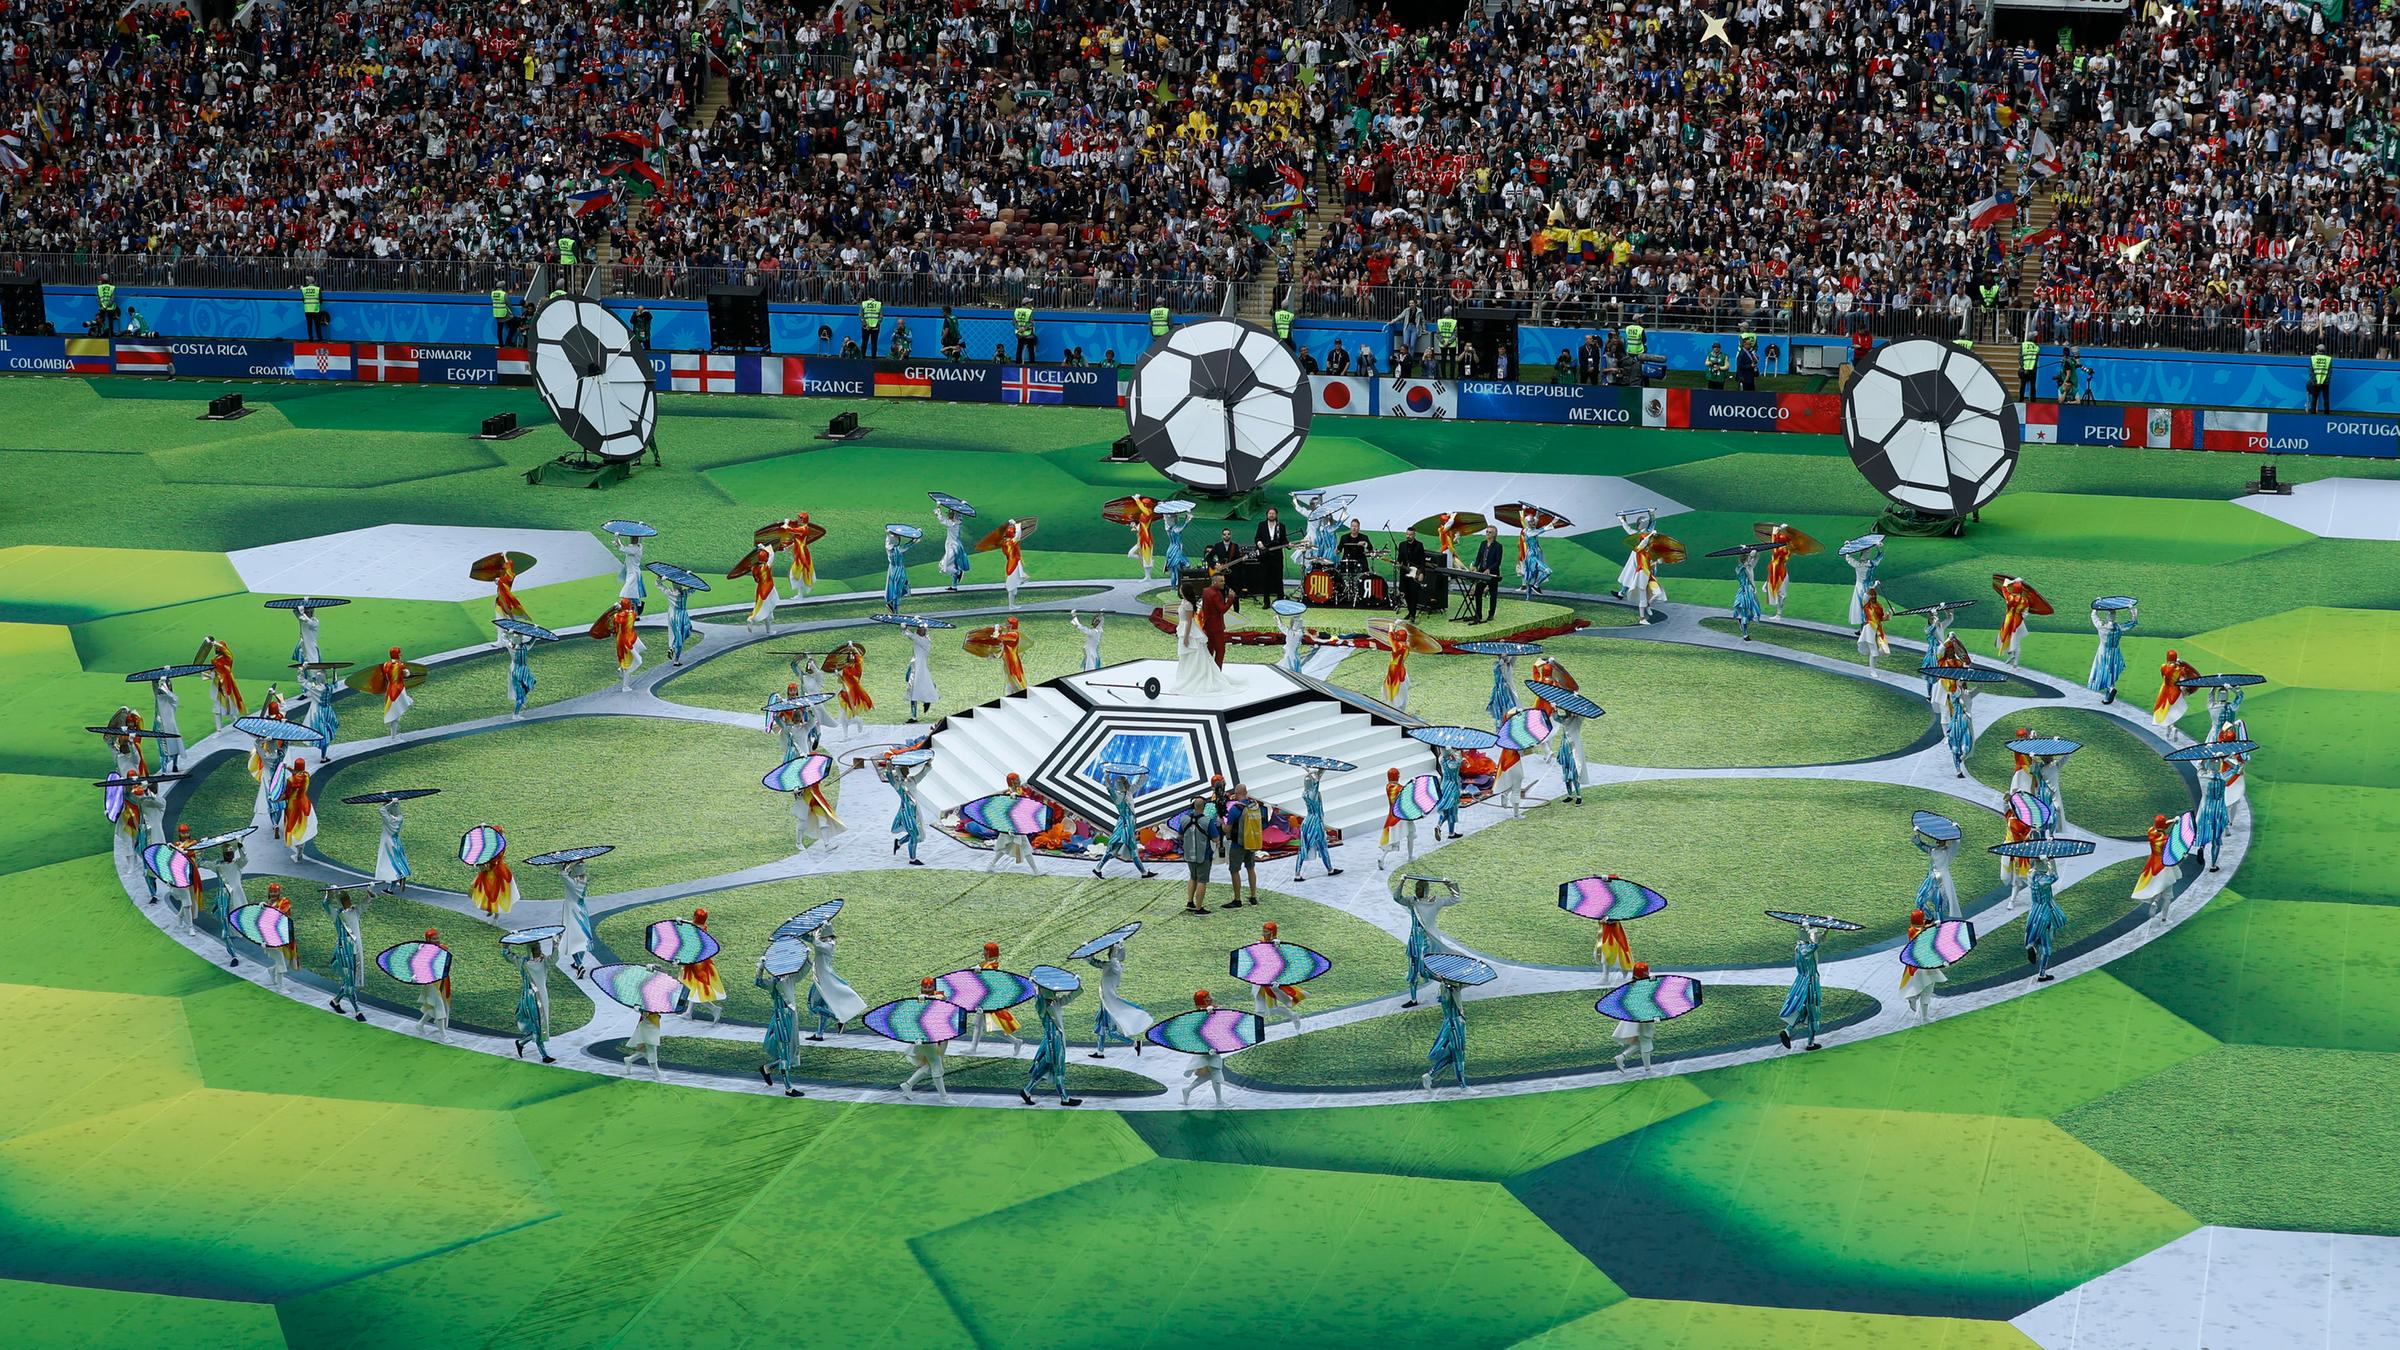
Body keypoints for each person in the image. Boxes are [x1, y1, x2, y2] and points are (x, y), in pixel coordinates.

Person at [1394, 874, 1461, 1006]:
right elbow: (1397, 897)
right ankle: (1413, 999)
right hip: (1414, 941)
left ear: (1425, 890)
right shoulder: (1412, 901)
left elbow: (1456, 898)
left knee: (1429, 969)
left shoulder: (1435, 902)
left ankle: (1448, 984)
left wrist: (1449, 885)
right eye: (1416, 888)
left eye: (1419, 888)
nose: (1417, 891)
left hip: (1429, 942)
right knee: (1413, 969)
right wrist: (1401, 882)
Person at [1019, 975, 1081, 1107]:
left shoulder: (1054, 1002)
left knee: (1045, 1067)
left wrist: (1077, 984)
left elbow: (1070, 996)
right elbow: (1039, 1001)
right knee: (1058, 1068)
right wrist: (1035, 987)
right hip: (1054, 1041)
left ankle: (1027, 1091)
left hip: (1054, 1039)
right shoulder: (1042, 1005)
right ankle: (1064, 1098)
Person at [1085, 939, 1152, 1059]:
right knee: (1101, 1026)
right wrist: (1088, 950)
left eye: (1111, 950)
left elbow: (1108, 960)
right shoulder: (1111, 965)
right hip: (1105, 1001)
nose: (1109, 952)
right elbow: (1095, 962)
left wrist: (1116, 946)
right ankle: (1100, 1052)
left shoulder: (1114, 966)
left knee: (1112, 1032)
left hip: (1109, 1002)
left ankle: (1134, 1043)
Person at [1172, 580, 1237, 696]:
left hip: (1189, 631)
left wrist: (1186, 636)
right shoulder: (1184, 602)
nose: (1179, 589)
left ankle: (1196, 674)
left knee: (1194, 652)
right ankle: (1188, 674)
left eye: (1181, 588)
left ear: (1184, 591)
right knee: (1188, 654)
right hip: (1184, 629)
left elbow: (1189, 622)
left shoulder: (1188, 605)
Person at [803, 923, 865, 1039]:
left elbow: (816, 944)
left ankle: (839, 1018)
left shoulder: (828, 945)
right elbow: (809, 938)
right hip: (821, 977)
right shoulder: (824, 942)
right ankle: (819, 1034)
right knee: (822, 1006)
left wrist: (815, 933)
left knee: (814, 1006)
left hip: (823, 979)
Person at [1091, 766, 1154, 879]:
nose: (1127, 783)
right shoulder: (1118, 796)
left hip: (1127, 823)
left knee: (1115, 848)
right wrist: (1106, 776)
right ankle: (1144, 873)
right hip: (1125, 824)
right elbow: (1109, 788)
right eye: (1124, 782)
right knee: (1131, 848)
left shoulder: (1127, 793)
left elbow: (1137, 784)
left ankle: (1098, 869)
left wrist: (1142, 775)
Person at [758, 951, 805, 1096]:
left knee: (790, 1052)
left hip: (790, 1017)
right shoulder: (775, 981)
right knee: (785, 1054)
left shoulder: (788, 978)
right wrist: (760, 968)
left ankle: (767, 1068)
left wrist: (807, 958)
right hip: (782, 1020)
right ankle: (788, 1088)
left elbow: (802, 972)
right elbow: (758, 982)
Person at [898, 979, 953, 1101]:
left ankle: (908, 1085)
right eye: (925, 987)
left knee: (930, 1066)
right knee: (936, 1066)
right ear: (921, 988)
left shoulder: (937, 997)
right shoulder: (919, 1001)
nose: (927, 989)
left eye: (930, 987)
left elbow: (942, 999)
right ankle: (944, 1097)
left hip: (938, 1036)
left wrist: (932, 998)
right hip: (926, 1037)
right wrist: (924, 999)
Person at [1422, 960, 1472, 1093]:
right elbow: (1465, 982)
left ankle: (1429, 1075)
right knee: (1459, 1054)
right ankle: (1463, 1086)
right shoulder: (1451, 986)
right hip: (1456, 1024)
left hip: (1451, 1023)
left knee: (1451, 1055)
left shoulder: (1445, 986)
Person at [1286, 763, 1341, 881]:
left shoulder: (1305, 793)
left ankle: (1298, 873)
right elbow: (1317, 782)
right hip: (1315, 822)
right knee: (1322, 846)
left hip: (1308, 821)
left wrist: (1321, 770)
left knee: (1305, 846)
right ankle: (1329, 869)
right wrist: (1312, 770)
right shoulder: (1313, 793)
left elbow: (1316, 779)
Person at [322, 886, 370, 1020]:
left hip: (356, 950)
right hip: (345, 951)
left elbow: (364, 905)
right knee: (350, 982)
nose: (348, 901)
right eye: (345, 899)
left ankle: (336, 1001)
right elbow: (325, 904)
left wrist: (369, 895)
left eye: (348, 899)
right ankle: (358, 1011)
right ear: (341, 902)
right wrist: (329, 894)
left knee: (350, 980)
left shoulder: (354, 911)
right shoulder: (337, 915)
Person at [1177, 990, 1231, 1107]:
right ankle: (1219, 1101)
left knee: (1209, 1074)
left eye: (1209, 996)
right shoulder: (1198, 1015)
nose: (1210, 998)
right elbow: (1200, 1031)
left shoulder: (1212, 1009)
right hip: (1207, 1048)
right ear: (1202, 1000)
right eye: (1207, 998)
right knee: (1215, 1071)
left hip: (1212, 1046)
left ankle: (1188, 1090)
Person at [507, 933, 556, 1062]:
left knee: (541, 1025)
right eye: (536, 949)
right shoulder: (524, 963)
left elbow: (555, 958)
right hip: (531, 999)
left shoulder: (544, 962)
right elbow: (508, 955)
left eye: (538, 948)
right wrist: (506, 946)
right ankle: (544, 1055)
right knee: (537, 1026)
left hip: (543, 996)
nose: (538, 951)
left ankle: (521, 1043)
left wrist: (555, 944)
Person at [1777, 923, 1824, 1050]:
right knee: (1813, 1012)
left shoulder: (1798, 947)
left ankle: (1787, 1031)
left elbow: (1817, 941)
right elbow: (1815, 944)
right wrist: (1812, 929)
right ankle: (1810, 1043)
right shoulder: (1805, 949)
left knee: (1803, 1010)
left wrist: (1826, 929)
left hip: (1802, 981)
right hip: (1811, 983)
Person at [677, 908, 727, 1024]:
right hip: (699, 963)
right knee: (692, 988)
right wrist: (682, 921)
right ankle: (689, 1012)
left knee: (696, 990)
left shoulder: (696, 930)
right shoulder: (702, 927)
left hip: (697, 965)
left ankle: (713, 1009)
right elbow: (692, 924)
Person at [881, 752, 931, 865]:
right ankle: (912, 859)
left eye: (907, 768)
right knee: (914, 834)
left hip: (915, 810)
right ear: (900, 771)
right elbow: (889, 775)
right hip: (907, 812)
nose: (907, 770)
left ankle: (899, 843)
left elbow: (922, 774)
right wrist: (889, 765)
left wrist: (928, 764)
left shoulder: (911, 780)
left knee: (918, 835)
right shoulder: (898, 784)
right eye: (904, 768)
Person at [1611, 962, 1661, 1072]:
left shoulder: (1635, 983)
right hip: (1643, 1018)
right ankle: (1648, 1070)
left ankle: (1621, 1057)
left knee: (1641, 1042)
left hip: (1638, 1017)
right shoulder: (1640, 986)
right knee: (1646, 1041)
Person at [983, 772, 1037, 874]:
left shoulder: (1019, 791)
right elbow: (1009, 812)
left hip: (1017, 825)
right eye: (1017, 780)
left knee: (1008, 847)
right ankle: (1036, 870)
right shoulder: (1011, 795)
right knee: (1020, 847)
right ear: (1012, 782)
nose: (1019, 781)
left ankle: (991, 864)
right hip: (1012, 826)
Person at [1221, 784, 1265, 906]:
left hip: (1238, 844)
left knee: (1234, 870)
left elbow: (1227, 829)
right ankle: (1253, 896)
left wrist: (1221, 823)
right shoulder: (1254, 806)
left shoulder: (1236, 809)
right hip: (1252, 842)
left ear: (1236, 794)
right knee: (1250, 868)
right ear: (1246, 792)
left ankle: (1237, 899)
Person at [2025, 857, 2066, 982]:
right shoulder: (2043, 880)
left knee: (2037, 932)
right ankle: (2042, 973)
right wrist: (2051, 861)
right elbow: (2054, 876)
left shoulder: (2030, 875)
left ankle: (2032, 945)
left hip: (2035, 910)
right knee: (2047, 946)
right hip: (2045, 912)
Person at [2088, 601, 2136, 703]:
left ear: (2107, 617)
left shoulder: (2101, 626)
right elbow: (2133, 622)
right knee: (2112, 671)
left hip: (2103, 652)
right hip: (2115, 652)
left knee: (2104, 671)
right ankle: (2109, 691)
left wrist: (2096, 606)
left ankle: (2110, 689)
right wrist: (2131, 610)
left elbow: (2094, 616)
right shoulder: (2119, 627)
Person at [559, 855, 597, 977]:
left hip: (572, 911)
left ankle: (579, 965)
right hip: (582, 910)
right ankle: (577, 963)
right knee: (583, 938)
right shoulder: (583, 880)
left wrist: (567, 865)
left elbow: (563, 874)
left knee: (571, 939)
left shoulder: (573, 884)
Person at [1902, 909, 1944, 1019]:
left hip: (1918, 966)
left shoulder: (1912, 929)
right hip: (1924, 966)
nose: (1924, 920)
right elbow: (1925, 934)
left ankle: (1913, 997)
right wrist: (1934, 926)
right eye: (1922, 918)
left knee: (1923, 987)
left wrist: (1932, 924)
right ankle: (1924, 1016)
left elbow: (1924, 927)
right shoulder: (1917, 932)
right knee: (1927, 991)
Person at [1178, 796, 1216, 914]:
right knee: (1202, 880)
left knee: (1193, 877)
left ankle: (1190, 902)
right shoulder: (1207, 821)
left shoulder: (1184, 819)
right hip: (1203, 855)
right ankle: (1199, 909)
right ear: (1204, 807)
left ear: (1193, 806)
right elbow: (1216, 839)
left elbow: (1179, 836)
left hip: (1189, 854)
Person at [2195, 755, 2231, 873]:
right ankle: (2213, 865)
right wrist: (2225, 758)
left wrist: (2206, 757)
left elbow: (2199, 765)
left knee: (2204, 832)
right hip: (2218, 810)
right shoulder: (2223, 777)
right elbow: (2236, 767)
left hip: (2205, 808)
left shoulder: (2202, 776)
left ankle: (2201, 847)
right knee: (2216, 839)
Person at [415, 929, 453, 1041]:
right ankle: (443, 1035)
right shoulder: (424, 952)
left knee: (433, 1005)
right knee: (439, 1007)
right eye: (434, 939)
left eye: (437, 938)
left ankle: (420, 1024)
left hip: (441, 981)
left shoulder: (441, 949)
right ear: (428, 940)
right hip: (431, 982)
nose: (437, 940)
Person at [1995, 575, 2040, 669]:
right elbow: (2026, 612)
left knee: (2005, 637)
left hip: (2008, 620)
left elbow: (2004, 585)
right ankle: (2015, 661)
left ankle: (2012, 656)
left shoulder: (2009, 597)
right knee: (2016, 641)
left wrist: (2014, 580)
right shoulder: (2025, 600)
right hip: (2018, 622)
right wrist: (2020, 617)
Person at [732, 543, 778, 635]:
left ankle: (768, 630)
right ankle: (752, 619)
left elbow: (756, 580)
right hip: (768, 590)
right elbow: (772, 554)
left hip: (760, 589)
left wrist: (761, 549)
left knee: (767, 609)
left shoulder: (754, 568)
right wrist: (764, 547)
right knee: (766, 609)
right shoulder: (766, 566)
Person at [277, 756, 318, 858]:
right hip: (304, 803)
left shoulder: (290, 780)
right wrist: (288, 768)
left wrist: (276, 798)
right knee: (303, 827)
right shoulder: (306, 775)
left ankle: (298, 848)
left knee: (293, 827)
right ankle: (300, 849)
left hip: (293, 806)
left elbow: (287, 795)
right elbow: (298, 774)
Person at [602, 597, 644, 693]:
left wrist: (616, 608)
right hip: (628, 640)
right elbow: (629, 613)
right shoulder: (632, 615)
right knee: (627, 664)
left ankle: (621, 669)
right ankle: (625, 686)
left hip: (620, 640)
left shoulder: (617, 616)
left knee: (623, 659)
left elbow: (613, 620)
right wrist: (621, 608)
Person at [1378, 769, 1418, 871]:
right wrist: (1412, 784)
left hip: (1393, 817)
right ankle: (1410, 856)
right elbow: (1406, 793)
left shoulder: (1388, 786)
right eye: (1398, 775)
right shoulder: (1396, 787)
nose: (1399, 776)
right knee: (1410, 835)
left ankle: (1382, 857)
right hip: (1402, 816)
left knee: (1393, 840)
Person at [903, 617, 940, 721]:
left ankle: (914, 717)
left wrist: (905, 629)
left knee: (913, 691)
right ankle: (927, 698)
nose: (919, 631)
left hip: (920, 669)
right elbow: (912, 636)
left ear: (925, 631)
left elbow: (911, 636)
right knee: (909, 680)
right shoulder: (920, 638)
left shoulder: (925, 641)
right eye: (918, 629)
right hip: (915, 665)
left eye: (921, 629)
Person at [373, 797, 412, 894]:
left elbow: (381, 810)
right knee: (395, 864)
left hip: (387, 844)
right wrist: (395, 803)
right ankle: (392, 887)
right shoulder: (399, 819)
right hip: (396, 842)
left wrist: (390, 803)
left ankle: (398, 878)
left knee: (390, 865)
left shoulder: (389, 820)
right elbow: (397, 812)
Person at [373, 647, 415, 736]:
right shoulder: (399, 665)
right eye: (399, 653)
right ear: (396, 655)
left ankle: (394, 736)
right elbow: (407, 674)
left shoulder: (385, 665)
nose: (401, 655)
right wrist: (405, 670)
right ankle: (393, 737)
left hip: (390, 689)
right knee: (396, 714)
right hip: (398, 690)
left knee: (396, 711)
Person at [2153, 650, 2199, 730]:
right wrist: (2183, 664)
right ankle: (2172, 725)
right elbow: (2185, 678)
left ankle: (2168, 725)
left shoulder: (2163, 667)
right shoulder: (2179, 669)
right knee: (2174, 707)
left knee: (2165, 707)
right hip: (2175, 690)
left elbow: (2163, 675)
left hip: (2165, 689)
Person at [1251, 507, 1289, 597]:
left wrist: (1288, 545)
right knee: (1265, 578)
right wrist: (1259, 543)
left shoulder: (1281, 526)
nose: (1271, 515)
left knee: (1278, 578)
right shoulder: (1262, 525)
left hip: (1277, 556)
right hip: (1265, 556)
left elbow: (1284, 540)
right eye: (1270, 513)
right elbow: (1257, 538)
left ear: (1276, 515)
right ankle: (1266, 601)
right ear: (1267, 515)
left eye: (1273, 513)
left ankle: (1280, 598)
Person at [1469, 526, 1505, 621]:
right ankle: (1478, 614)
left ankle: (1491, 614)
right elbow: (1479, 557)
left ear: (1494, 534)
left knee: (1493, 594)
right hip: (1482, 572)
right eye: (1487, 532)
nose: (1487, 534)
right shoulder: (1483, 544)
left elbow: (1497, 562)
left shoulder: (1498, 546)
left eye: (1490, 532)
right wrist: (1475, 566)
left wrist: (1489, 569)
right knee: (1478, 591)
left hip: (1493, 573)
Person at [934, 500, 972, 590]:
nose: (949, 513)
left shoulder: (953, 523)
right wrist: (962, 504)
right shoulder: (958, 521)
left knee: (945, 567)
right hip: (955, 546)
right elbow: (959, 513)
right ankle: (954, 585)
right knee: (952, 565)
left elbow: (941, 519)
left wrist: (938, 507)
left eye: (951, 512)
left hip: (953, 547)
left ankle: (958, 572)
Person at [1200, 574, 1234, 667]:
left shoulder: (1206, 591)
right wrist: (1230, 599)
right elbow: (1222, 609)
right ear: (1214, 582)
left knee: (1210, 649)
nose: (1224, 583)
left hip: (1208, 624)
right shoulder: (1215, 594)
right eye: (1221, 581)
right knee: (1220, 650)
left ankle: (1208, 669)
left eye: (1224, 580)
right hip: (1216, 626)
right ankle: (1217, 672)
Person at [1432, 745, 1465, 842]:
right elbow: (1459, 761)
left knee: (1446, 808)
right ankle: (1451, 832)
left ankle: (1439, 825)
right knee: (1452, 810)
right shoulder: (1455, 762)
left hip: (1444, 785)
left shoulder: (1442, 759)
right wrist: (1458, 756)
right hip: (1453, 787)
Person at [1730, 546, 1763, 639]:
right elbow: (1749, 578)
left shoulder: (1745, 567)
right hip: (1746, 592)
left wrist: (1749, 549)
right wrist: (1754, 587)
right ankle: (1745, 634)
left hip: (1746, 591)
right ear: (1746, 559)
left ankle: (1743, 627)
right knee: (1745, 613)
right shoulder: (1743, 568)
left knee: (1748, 612)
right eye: (1748, 558)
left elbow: (1757, 556)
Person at [1856, 584, 1890, 672]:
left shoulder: (1879, 606)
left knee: (1881, 650)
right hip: (1869, 629)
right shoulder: (1866, 604)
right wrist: (1874, 585)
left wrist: (1889, 613)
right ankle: (1872, 671)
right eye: (1872, 595)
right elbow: (1865, 595)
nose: (1873, 596)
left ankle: (1873, 669)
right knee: (1874, 652)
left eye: (1874, 595)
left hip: (1878, 630)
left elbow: (1882, 618)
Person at [998, 518, 1030, 609]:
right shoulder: (1010, 542)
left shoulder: (1005, 542)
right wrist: (1016, 524)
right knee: (1012, 587)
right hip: (1013, 565)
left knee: (1015, 585)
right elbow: (1018, 534)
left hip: (1012, 564)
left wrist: (1012, 525)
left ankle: (1012, 604)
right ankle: (1011, 605)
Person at [883, 525, 913, 615]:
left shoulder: (888, 547)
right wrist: (915, 538)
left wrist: (891, 532)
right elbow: (909, 545)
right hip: (899, 570)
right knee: (898, 589)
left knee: (893, 588)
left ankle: (892, 606)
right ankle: (895, 609)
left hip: (892, 569)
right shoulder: (898, 549)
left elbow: (888, 533)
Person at [2307, 344, 2333, 413]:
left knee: (2314, 397)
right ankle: (2326, 413)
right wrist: (2326, 380)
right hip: (2325, 382)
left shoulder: (2313, 358)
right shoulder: (2328, 359)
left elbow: (2311, 371)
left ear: (2318, 350)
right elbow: (2330, 371)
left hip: (2316, 382)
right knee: (2326, 398)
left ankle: (2313, 412)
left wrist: (2315, 381)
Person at [301, 276, 327, 341]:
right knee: (317, 325)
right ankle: (320, 339)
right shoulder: (317, 289)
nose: (306, 282)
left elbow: (303, 300)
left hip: (307, 310)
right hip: (316, 310)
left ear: (309, 281)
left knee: (309, 326)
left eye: (307, 280)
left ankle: (310, 339)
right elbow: (321, 300)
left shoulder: (304, 289)